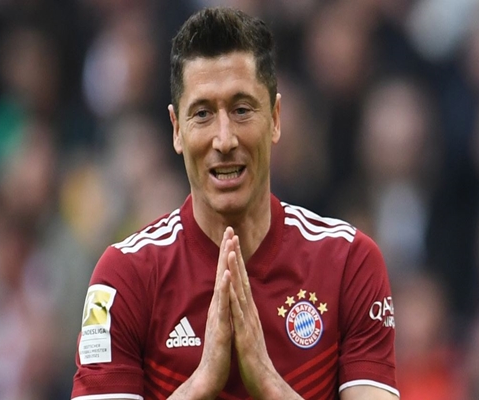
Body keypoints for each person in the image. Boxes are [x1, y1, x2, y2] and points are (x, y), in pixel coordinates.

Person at [71, 7, 398, 400]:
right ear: (176, 130)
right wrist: (201, 383)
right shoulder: (123, 278)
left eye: (242, 110)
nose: (224, 140)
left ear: (275, 118)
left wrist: (268, 383)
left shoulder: (348, 263)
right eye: (203, 114)